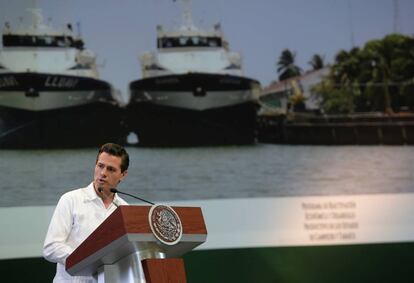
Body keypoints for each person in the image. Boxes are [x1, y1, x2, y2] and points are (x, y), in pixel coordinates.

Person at [43, 143, 130, 283]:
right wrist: (88, 259)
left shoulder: (125, 210)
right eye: (100, 166)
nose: (103, 173)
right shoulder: (71, 200)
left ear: (123, 175)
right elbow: (51, 248)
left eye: (111, 169)